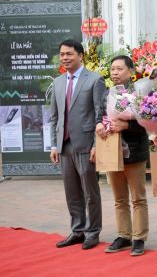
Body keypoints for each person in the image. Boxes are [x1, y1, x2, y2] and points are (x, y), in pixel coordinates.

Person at [49, 39, 105, 250]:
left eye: (69, 54)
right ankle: (78, 230)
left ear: (80, 55)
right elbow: (54, 117)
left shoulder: (95, 80)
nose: (65, 58)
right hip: (64, 145)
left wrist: (96, 145)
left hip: (86, 144)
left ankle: (93, 231)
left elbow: (101, 114)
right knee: (71, 191)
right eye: (62, 54)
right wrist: (54, 146)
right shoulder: (57, 82)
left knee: (90, 191)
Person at [95, 55, 150, 256]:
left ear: (130, 71)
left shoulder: (141, 92)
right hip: (112, 150)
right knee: (119, 198)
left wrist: (128, 124)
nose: (115, 73)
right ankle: (124, 235)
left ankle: (139, 237)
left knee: (138, 197)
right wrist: (100, 124)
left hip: (134, 151)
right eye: (112, 69)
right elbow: (99, 114)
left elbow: (149, 122)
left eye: (119, 69)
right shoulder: (106, 93)